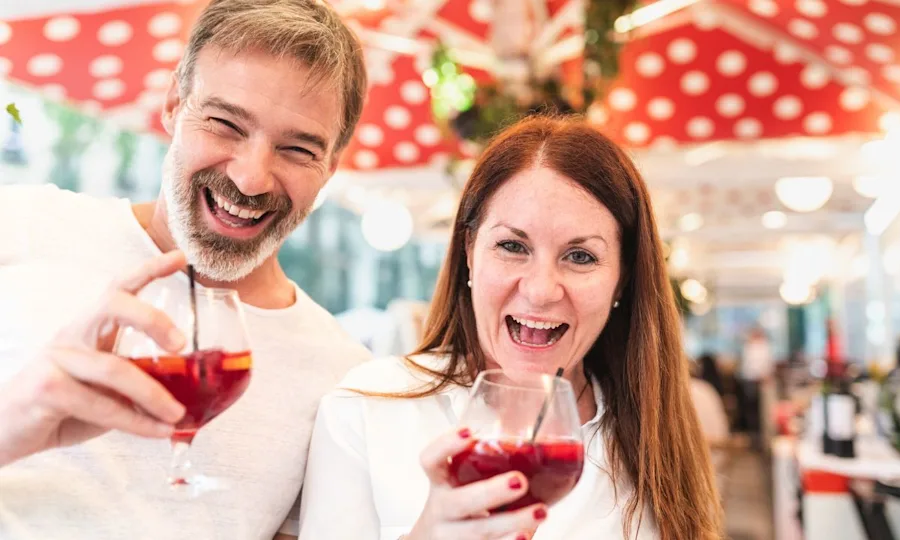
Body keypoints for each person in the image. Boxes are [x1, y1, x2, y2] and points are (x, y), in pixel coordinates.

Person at [0, 1, 370, 538]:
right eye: (224, 123)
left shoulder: (342, 376)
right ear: (175, 103)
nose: (250, 179)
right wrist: (15, 418)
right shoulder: (19, 227)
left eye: (297, 149)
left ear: (330, 167)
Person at [299, 116, 723, 539]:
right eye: (512, 246)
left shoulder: (656, 440)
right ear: (469, 251)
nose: (540, 291)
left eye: (580, 257)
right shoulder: (367, 407)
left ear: (623, 278)